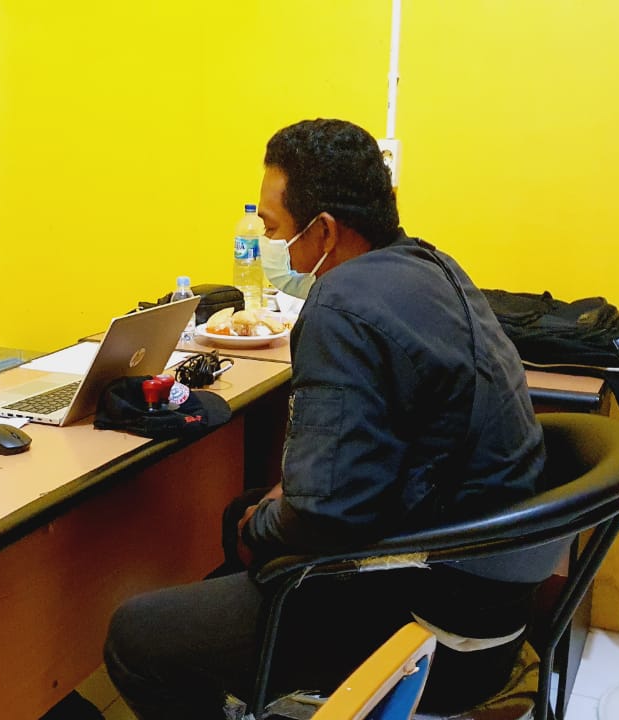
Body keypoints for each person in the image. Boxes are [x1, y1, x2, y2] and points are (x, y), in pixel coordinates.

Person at [103, 118, 548, 719]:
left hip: (433, 627)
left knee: (136, 635)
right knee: (247, 512)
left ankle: (250, 667)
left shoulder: (340, 304)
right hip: (493, 596)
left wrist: (264, 523)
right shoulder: (434, 267)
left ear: (325, 231)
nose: (270, 243)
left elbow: (325, 516)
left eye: (273, 228)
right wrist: (282, 502)